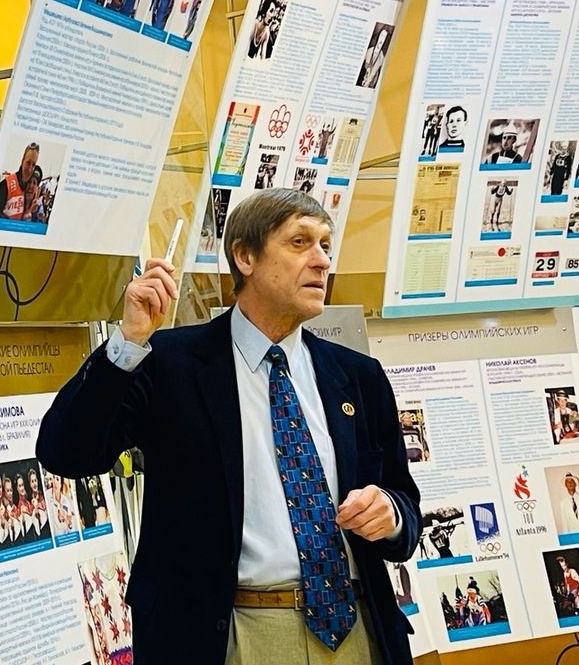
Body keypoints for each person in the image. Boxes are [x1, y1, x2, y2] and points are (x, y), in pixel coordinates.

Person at [37, 188, 420, 663]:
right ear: (245, 257)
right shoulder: (170, 364)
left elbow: (405, 506)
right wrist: (128, 341)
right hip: (229, 634)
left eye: (325, 244)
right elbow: (66, 453)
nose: (322, 261)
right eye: (300, 242)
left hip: (358, 631)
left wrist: (390, 514)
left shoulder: (358, 376)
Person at [0, 142, 39, 220]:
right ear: (22, 161)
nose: (30, 168)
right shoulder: (6, 184)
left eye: (33, 165)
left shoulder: (29, 188)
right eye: (28, 163)